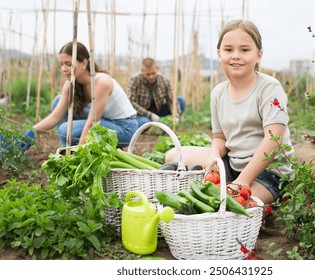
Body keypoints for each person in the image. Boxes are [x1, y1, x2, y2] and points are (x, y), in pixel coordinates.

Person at [165, 20, 294, 204]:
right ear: (219, 54)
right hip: (233, 164)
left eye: (244, 50)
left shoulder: (269, 88)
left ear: (259, 55)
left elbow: (274, 141)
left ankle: (269, 197)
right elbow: (220, 138)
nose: (236, 56)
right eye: (228, 50)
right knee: (172, 155)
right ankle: (229, 183)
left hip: (269, 172)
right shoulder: (218, 93)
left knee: (233, 207)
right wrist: (214, 155)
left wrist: (242, 181)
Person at [33, 41, 138, 148]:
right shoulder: (70, 84)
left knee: (65, 130)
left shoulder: (101, 82)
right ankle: (65, 150)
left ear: (84, 63)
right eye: (62, 64)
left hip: (124, 128)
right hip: (104, 120)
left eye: (69, 64)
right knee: (58, 101)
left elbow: (92, 123)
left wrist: (79, 153)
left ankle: (71, 153)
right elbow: (55, 117)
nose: (64, 69)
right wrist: (31, 131)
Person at [127, 57, 186, 127]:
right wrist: (150, 115)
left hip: (158, 110)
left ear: (157, 68)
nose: (151, 77)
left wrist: (175, 114)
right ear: (142, 71)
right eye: (147, 74)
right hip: (141, 113)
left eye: (153, 73)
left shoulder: (164, 80)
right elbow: (131, 103)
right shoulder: (134, 81)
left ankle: (168, 129)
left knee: (181, 101)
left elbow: (171, 100)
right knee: (145, 122)